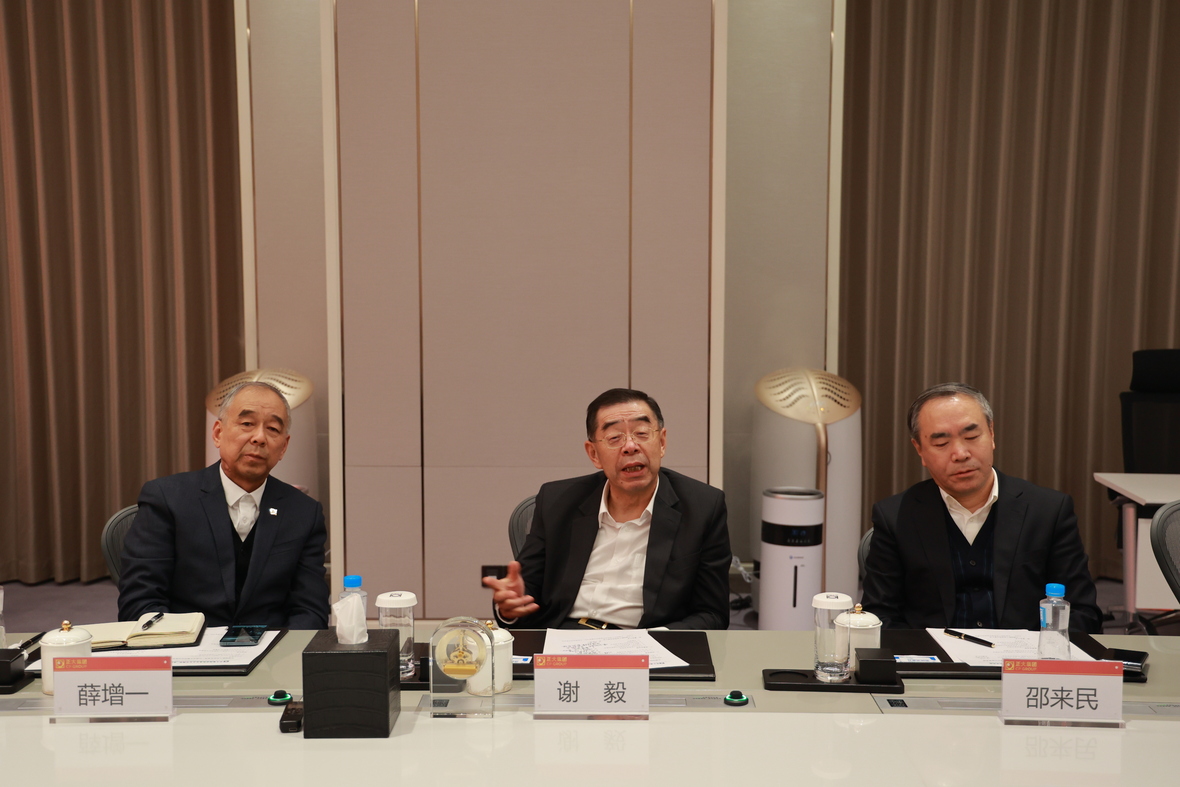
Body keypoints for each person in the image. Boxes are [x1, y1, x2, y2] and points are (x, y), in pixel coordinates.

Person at [861, 382, 1102, 633]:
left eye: (972, 437)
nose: (960, 453)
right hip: (933, 656)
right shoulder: (895, 517)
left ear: (992, 434)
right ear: (919, 449)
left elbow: (1082, 612)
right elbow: (879, 617)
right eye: (941, 443)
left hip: (1025, 655)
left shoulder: (1048, 511)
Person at [483, 388, 731, 630]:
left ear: (662, 442)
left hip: (643, 641)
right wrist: (509, 607)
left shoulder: (703, 507)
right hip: (564, 635)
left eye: (642, 433)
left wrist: (659, 640)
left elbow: (712, 614)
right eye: (614, 438)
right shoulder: (556, 501)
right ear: (594, 454)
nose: (630, 446)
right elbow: (524, 592)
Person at [117, 381, 330, 629]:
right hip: (186, 645)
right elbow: (140, 603)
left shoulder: (304, 512)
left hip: (273, 647)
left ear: (283, 447)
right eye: (247, 424)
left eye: (272, 428)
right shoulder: (167, 498)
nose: (259, 438)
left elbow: (310, 609)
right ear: (218, 433)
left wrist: (283, 651)